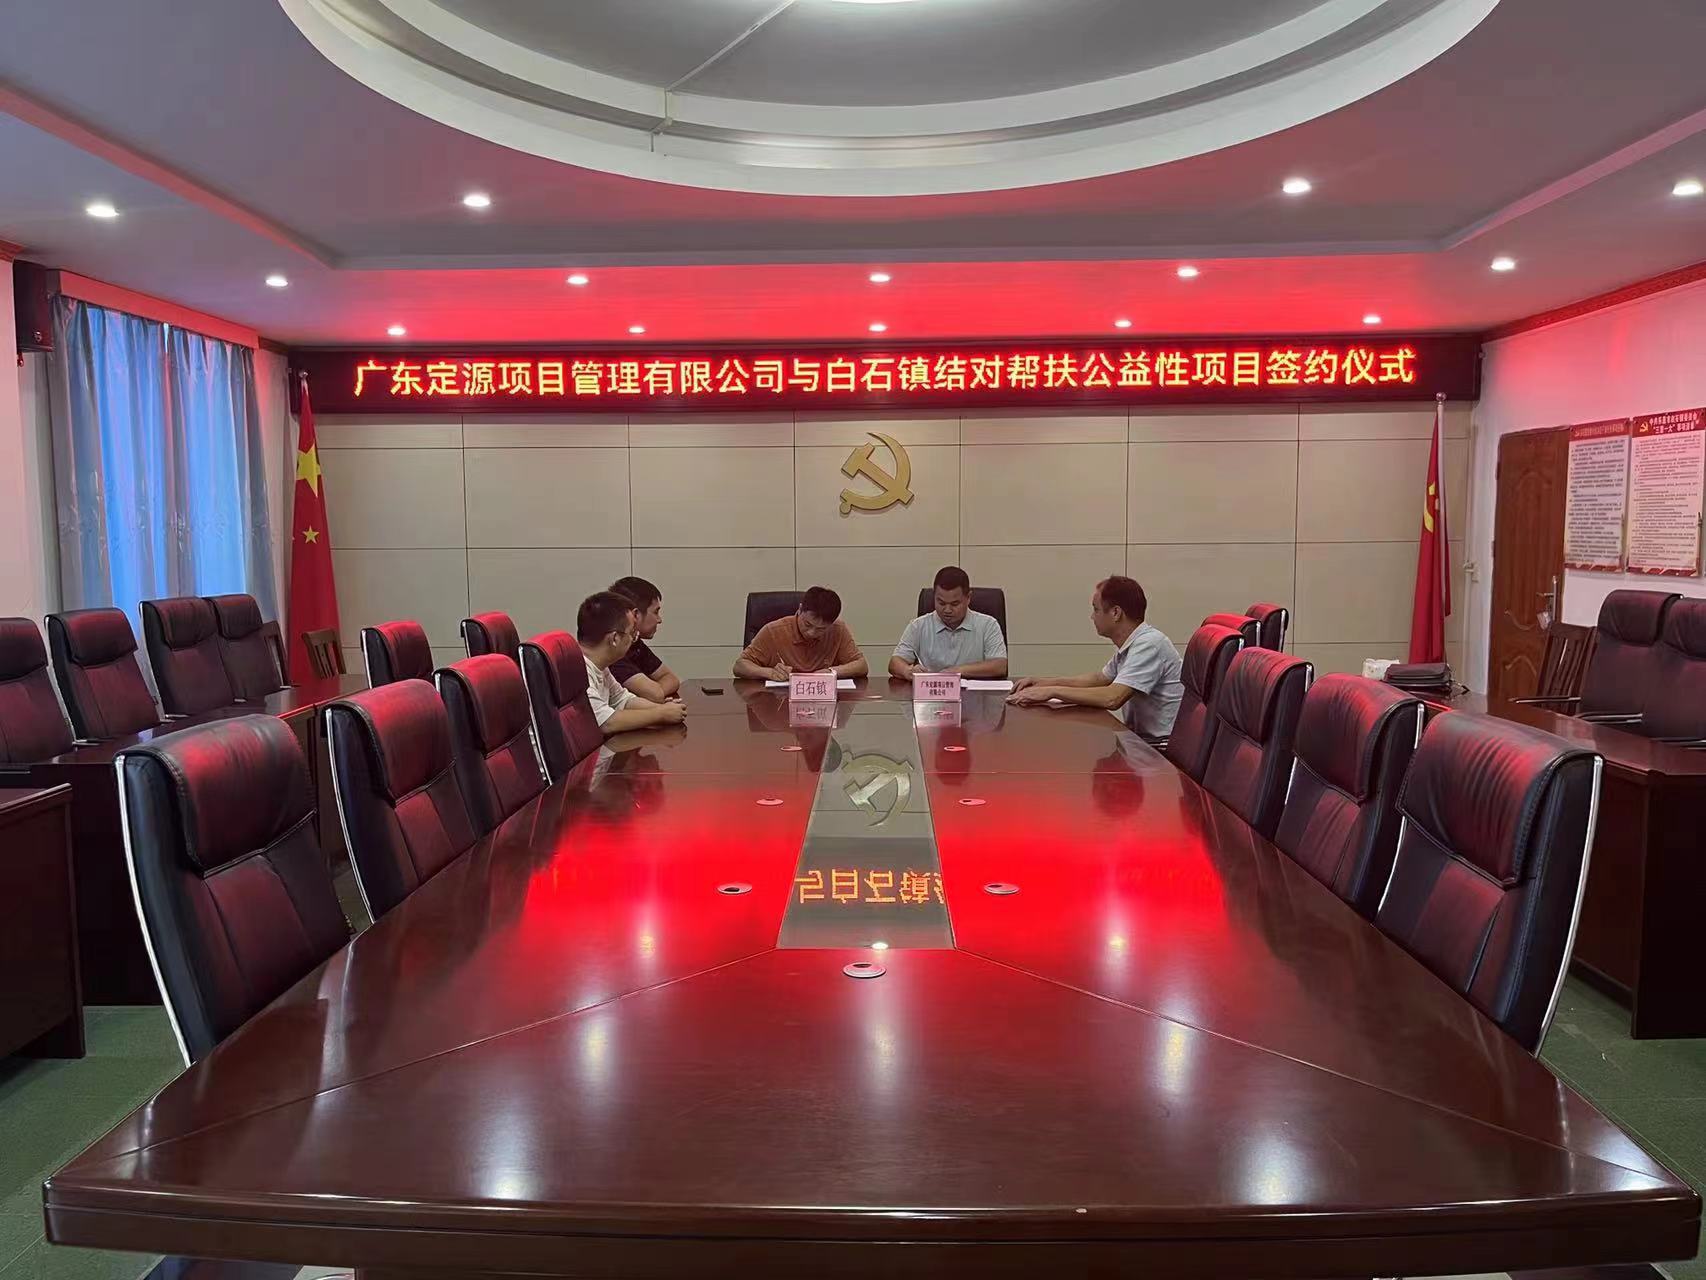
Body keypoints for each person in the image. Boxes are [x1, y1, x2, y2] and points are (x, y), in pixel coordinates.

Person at [1007, 576, 1183, 740]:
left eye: (1096, 609)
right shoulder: (1134, 643)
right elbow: (1099, 679)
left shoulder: (1149, 644)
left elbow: (1112, 698)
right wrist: (1043, 683)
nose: (1092, 617)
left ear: (1116, 613)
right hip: (1142, 741)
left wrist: (1052, 692)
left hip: (1161, 746)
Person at [577, 591, 687, 735]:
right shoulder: (578, 670)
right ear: (615, 639)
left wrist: (661, 708)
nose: (633, 640)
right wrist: (661, 714)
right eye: (631, 633)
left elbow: (623, 700)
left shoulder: (601, 667)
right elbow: (606, 723)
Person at [889, 565, 1009, 680]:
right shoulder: (918, 626)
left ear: (968, 598)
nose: (947, 610)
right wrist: (907, 671)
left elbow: (1000, 665)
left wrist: (957, 671)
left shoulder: (988, 625)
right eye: (941, 603)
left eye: (954, 604)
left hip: (975, 693)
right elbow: (895, 663)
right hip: (933, 692)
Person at [733, 585, 868, 682]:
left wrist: (831, 672)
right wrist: (769, 672)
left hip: (823, 703)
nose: (811, 633)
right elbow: (740, 666)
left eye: (821, 629)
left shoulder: (838, 629)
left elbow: (861, 665)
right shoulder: (773, 631)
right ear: (800, 609)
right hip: (779, 703)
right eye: (807, 624)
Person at [607, 575, 681, 702]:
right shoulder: (613, 651)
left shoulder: (635, 644)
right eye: (656, 612)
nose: (659, 620)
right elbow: (654, 694)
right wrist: (655, 695)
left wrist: (655, 694)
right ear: (635, 615)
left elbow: (671, 679)